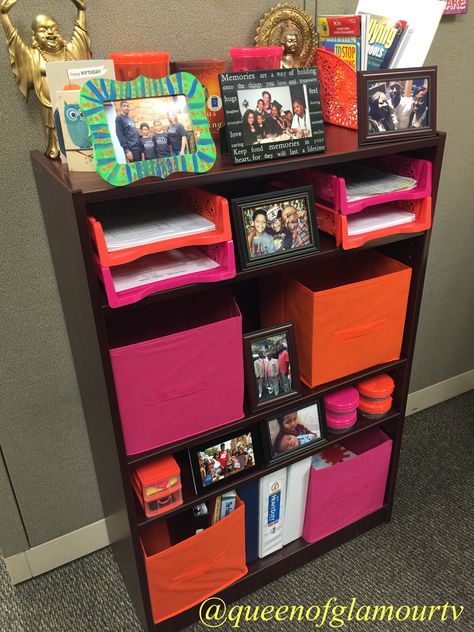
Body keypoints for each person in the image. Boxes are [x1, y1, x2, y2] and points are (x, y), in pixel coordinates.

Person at [0, 0, 91, 159]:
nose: (50, 33)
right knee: (55, 133)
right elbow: (14, 41)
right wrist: (4, 15)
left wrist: (81, 10)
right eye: (43, 30)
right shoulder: (33, 56)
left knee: (79, 132)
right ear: (34, 35)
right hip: (48, 104)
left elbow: (81, 35)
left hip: (74, 104)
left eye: (54, 28)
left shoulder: (69, 50)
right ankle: (56, 148)